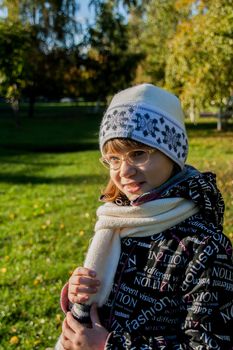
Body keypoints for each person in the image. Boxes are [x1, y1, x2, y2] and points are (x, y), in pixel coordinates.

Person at [55, 83, 233, 350]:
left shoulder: (205, 247)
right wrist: (79, 295)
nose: (124, 171)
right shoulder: (119, 221)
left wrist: (109, 346)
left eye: (138, 153)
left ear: (172, 153)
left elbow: (210, 345)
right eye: (113, 158)